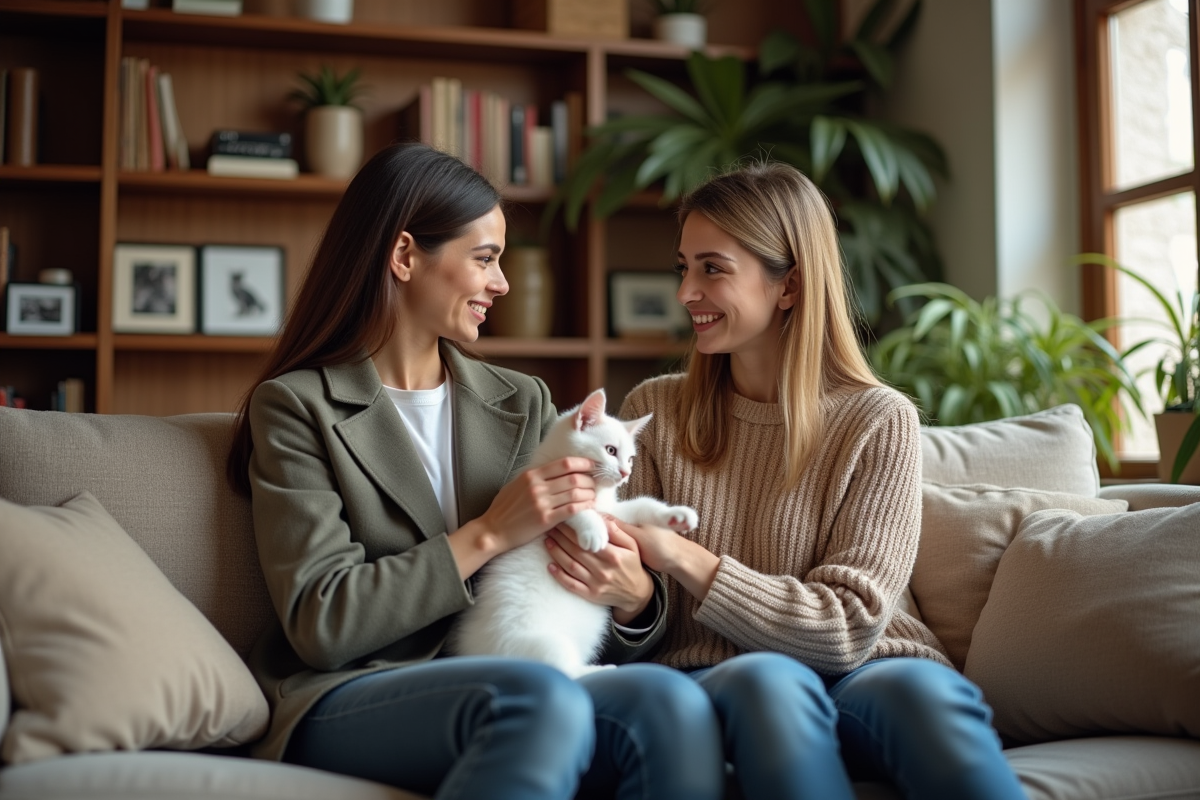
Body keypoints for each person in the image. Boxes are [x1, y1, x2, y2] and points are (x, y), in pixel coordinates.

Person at [226, 142, 724, 800]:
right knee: (539, 699)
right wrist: (487, 534)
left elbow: (578, 592)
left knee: (672, 701)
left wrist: (633, 600)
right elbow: (324, 623)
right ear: (405, 257)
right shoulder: (296, 408)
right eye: (485, 259)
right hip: (354, 689)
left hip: (513, 663)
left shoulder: (525, 402)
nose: (503, 284)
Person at [552, 161, 1027, 799]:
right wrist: (638, 602)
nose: (686, 292)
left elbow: (852, 625)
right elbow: (631, 616)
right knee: (768, 683)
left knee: (928, 704)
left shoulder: (878, 420)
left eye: (712, 268)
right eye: (683, 268)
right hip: (719, 674)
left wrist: (684, 556)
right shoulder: (656, 414)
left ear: (790, 286)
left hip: (874, 667)